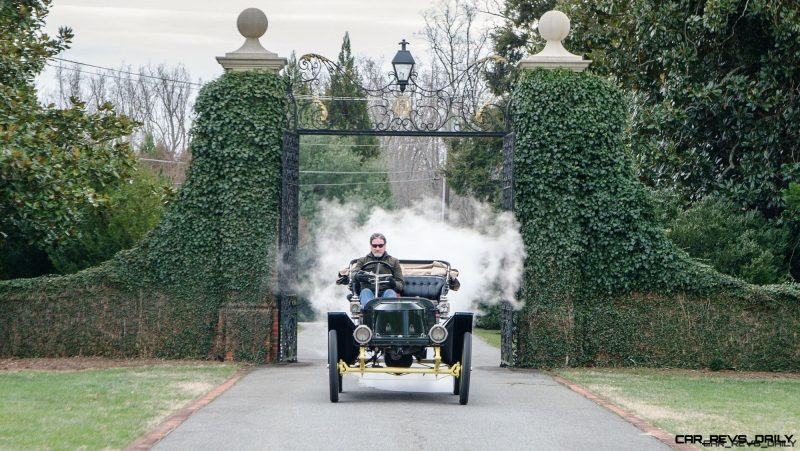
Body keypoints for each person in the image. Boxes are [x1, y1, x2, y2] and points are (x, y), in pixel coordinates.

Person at [353, 232, 404, 307]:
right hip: (368, 291)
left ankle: (387, 312)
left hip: (386, 291)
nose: (377, 248)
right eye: (374, 246)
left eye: (380, 246)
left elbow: (401, 285)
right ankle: (369, 313)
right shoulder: (362, 261)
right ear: (371, 246)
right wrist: (357, 276)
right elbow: (352, 275)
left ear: (385, 246)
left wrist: (393, 283)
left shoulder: (394, 261)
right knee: (365, 292)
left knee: (390, 293)